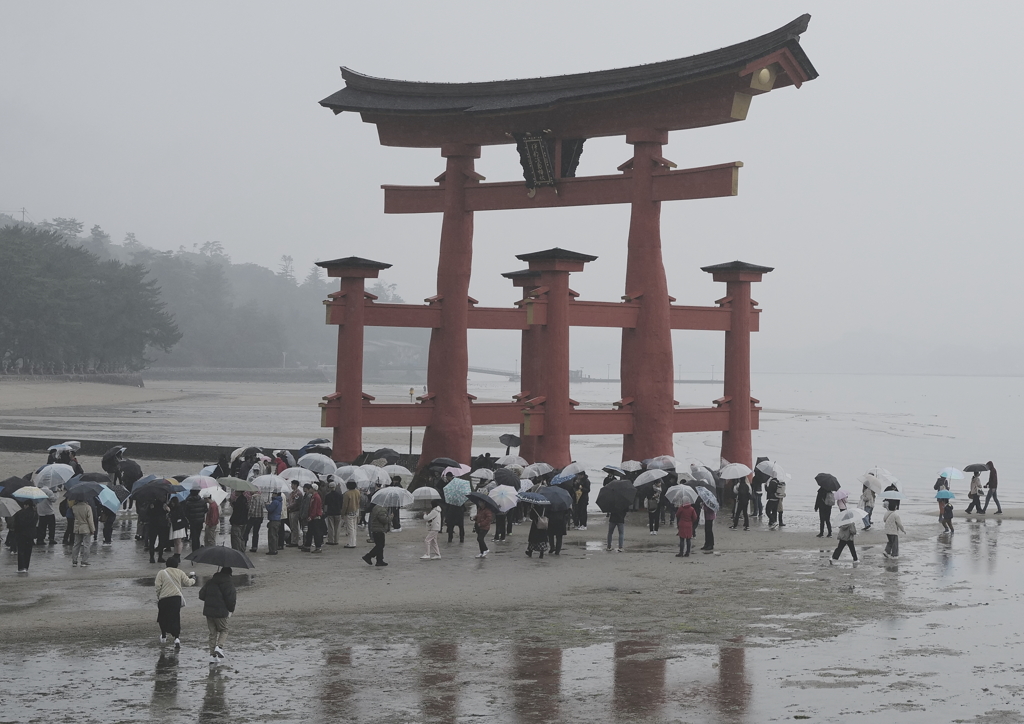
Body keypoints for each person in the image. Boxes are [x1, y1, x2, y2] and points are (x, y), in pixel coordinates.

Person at [154, 554, 196, 646]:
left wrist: (159, 596)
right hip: (176, 598)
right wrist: (193, 579)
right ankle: (176, 638)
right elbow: (188, 583)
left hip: (164, 598)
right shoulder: (179, 572)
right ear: (177, 564)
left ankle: (164, 636)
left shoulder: (161, 572)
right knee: (175, 617)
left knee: (162, 617)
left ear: (167, 564)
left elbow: (157, 586)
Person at [198, 566, 236, 664]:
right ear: (229, 574)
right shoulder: (228, 583)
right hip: (220, 611)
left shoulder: (211, 581)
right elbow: (231, 599)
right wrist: (231, 610)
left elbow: (201, 595)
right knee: (224, 629)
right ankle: (219, 647)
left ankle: (212, 656)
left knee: (212, 633)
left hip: (208, 611)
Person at [13, 500, 38, 573]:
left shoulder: (20, 513)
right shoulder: (35, 514)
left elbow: (16, 525)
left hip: (21, 534)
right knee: (28, 551)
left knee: (21, 551)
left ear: (26, 505)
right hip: (30, 535)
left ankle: (21, 567)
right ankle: (26, 567)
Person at [363, 502, 390, 566]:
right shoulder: (381, 509)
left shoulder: (376, 507)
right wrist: (390, 517)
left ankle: (379, 560)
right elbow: (384, 520)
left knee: (380, 545)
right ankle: (368, 556)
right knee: (380, 546)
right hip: (378, 530)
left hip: (376, 529)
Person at [70, 499, 95, 567]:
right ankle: (84, 561)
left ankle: (74, 561)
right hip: (86, 528)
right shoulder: (87, 507)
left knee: (76, 544)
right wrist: (92, 529)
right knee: (86, 545)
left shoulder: (74, 507)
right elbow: (90, 520)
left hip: (77, 528)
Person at [301, 483, 324, 553]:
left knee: (316, 533)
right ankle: (307, 545)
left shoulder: (316, 497)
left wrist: (311, 516)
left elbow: (315, 508)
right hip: (313, 517)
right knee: (309, 532)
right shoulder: (313, 496)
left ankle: (318, 547)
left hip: (315, 517)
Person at [147, 500, 171, 564]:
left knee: (152, 541)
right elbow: (169, 512)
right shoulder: (164, 504)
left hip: (153, 524)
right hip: (162, 524)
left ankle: (152, 557)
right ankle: (160, 556)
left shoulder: (151, 504)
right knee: (161, 541)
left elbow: (147, 513)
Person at [341, 480, 361, 548]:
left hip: (349, 512)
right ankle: (353, 542)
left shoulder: (347, 494)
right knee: (354, 528)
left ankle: (351, 543)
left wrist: (342, 513)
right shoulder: (357, 492)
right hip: (356, 510)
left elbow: (345, 505)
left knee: (350, 528)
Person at [323, 481, 343, 545]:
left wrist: (325, 512)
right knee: (337, 527)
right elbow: (341, 504)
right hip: (338, 512)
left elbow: (326, 505)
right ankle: (336, 540)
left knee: (330, 527)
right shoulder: (340, 495)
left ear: (329, 487)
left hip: (330, 512)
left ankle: (331, 540)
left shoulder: (328, 496)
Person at [264, 491, 282, 555]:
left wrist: (267, 505)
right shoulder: (279, 501)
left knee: (272, 536)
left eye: (273, 494)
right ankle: (275, 549)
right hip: (277, 520)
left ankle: (272, 550)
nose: (272, 495)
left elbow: (270, 509)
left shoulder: (275, 502)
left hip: (274, 520)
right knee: (275, 536)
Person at [285, 480, 303, 547]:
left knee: (294, 527)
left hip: (295, 511)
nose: (291, 486)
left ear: (295, 485)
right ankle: (293, 540)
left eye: (292, 484)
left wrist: (288, 507)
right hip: (291, 511)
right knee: (292, 527)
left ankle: (294, 541)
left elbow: (296, 503)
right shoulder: (292, 493)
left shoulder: (298, 494)